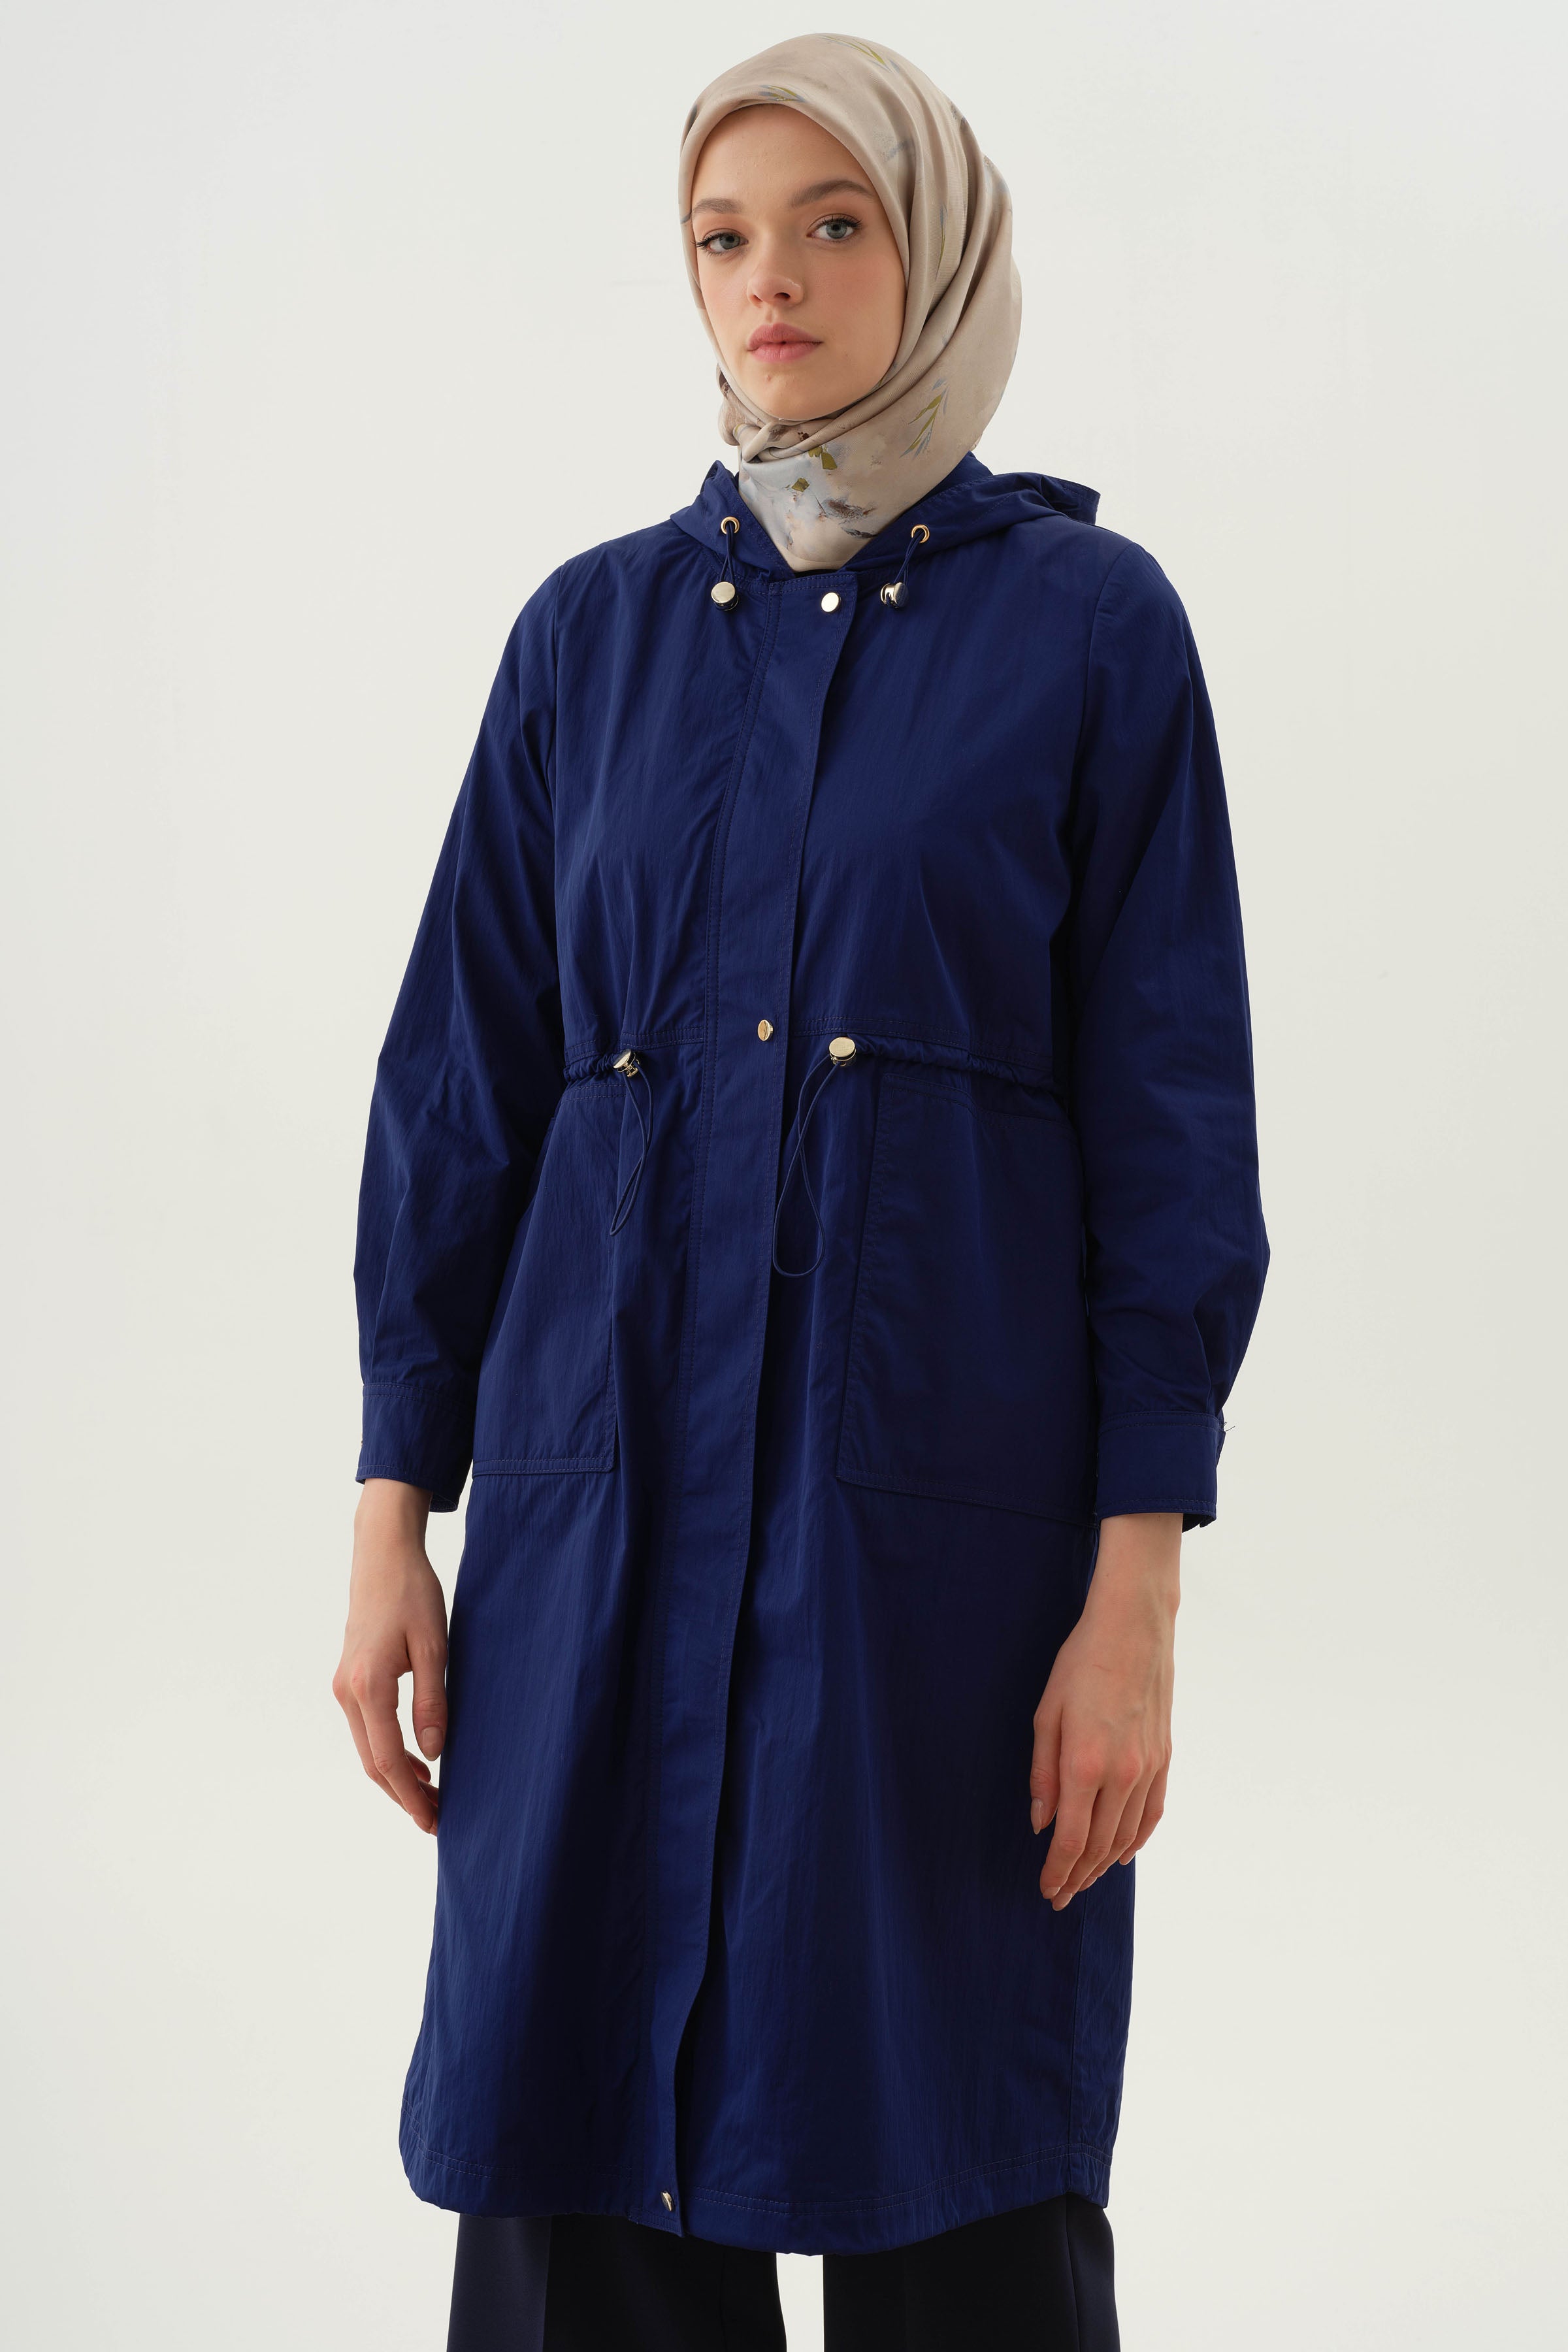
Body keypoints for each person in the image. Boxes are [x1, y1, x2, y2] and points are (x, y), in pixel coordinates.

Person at [334, 33, 1269, 2350]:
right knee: (582, 2166)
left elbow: (1170, 1131)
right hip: (597, 1538)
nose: (773, 279)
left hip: (929, 1568)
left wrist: (1137, 1592)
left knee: (955, 2172)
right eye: (724, 236)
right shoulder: (588, 642)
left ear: (932, 249)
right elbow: (460, 1096)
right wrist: (393, 1513)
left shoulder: (1093, 630)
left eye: (835, 224)